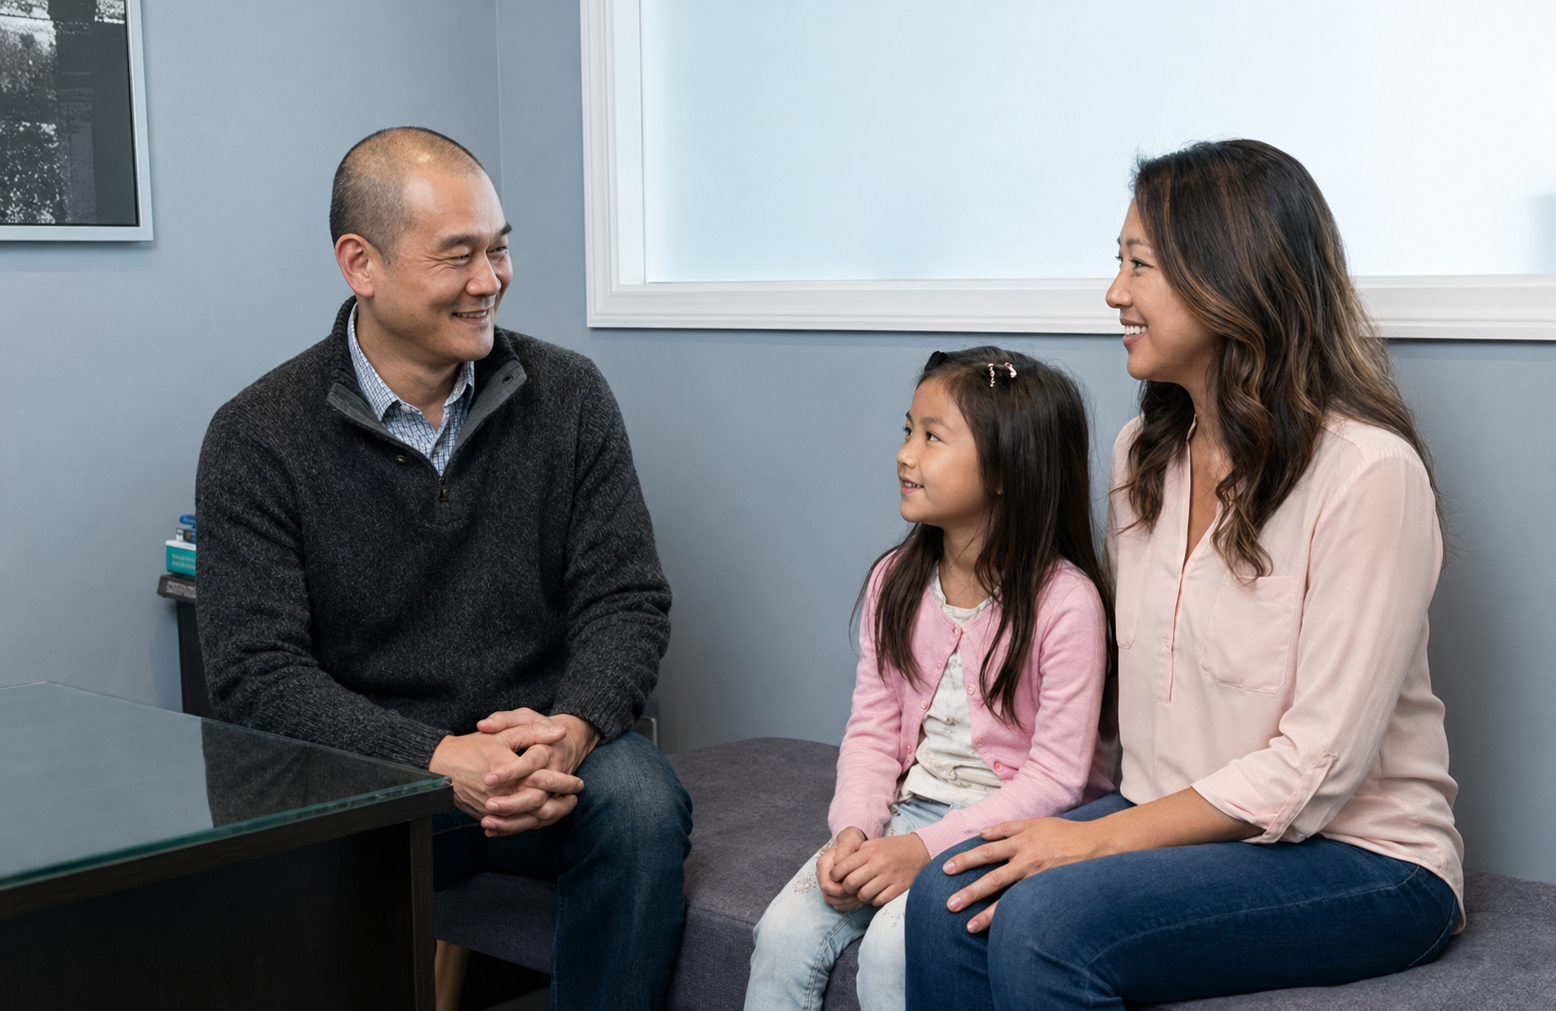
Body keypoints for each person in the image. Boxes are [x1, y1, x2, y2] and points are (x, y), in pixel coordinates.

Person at [904, 140, 1463, 1010]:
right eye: (1118, 262)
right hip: (1172, 819)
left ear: (1226, 276)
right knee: (947, 895)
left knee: (1046, 920)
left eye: (1139, 265)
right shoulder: (1143, 455)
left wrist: (1093, 842)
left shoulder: (1368, 474)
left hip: (1364, 856)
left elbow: (1314, 769)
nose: (1114, 292)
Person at [195, 127, 691, 1011]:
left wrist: (574, 726)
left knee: (643, 804)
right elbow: (255, 675)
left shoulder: (570, 395)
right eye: (458, 256)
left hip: (540, 755)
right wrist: (432, 758)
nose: (489, 280)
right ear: (361, 263)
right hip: (368, 775)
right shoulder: (257, 436)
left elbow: (626, 597)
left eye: (499, 250)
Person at [745, 348, 1113, 1011]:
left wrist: (921, 850)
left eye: (932, 437)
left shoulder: (1067, 603)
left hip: (1012, 829)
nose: (904, 454)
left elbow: (1057, 779)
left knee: (895, 947)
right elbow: (871, 730)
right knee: (782, 934)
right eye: (907, 430)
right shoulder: (895, 580)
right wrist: (854, 830)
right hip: (907, 811)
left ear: (1005, 468)